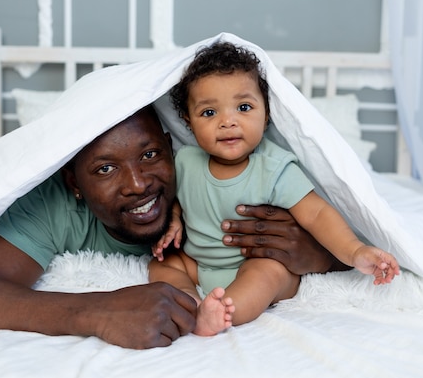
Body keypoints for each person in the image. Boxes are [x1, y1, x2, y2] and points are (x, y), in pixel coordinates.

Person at [0, 105, 346, 350]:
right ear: (74, 182)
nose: (138, 184)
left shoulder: (214, 173)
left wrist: (321, 256)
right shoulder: (51, 204)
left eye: (150, 154)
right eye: (105, 168)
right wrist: (98, 311)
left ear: (172, 147)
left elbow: (370, 241)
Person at [149, 42, 400, 336]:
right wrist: (175, 218)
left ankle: (226, 310)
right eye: (208, 112)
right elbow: (178, 198)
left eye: (244, 107)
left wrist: (355, 250)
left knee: (267, 273)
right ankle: (190, 302)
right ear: (189, 123)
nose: (227, 121)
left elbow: (316, 214)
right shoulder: (185, 162)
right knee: (162, 266)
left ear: (266, 115)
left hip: (253, 264)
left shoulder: (275, 168)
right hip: (198, 261)